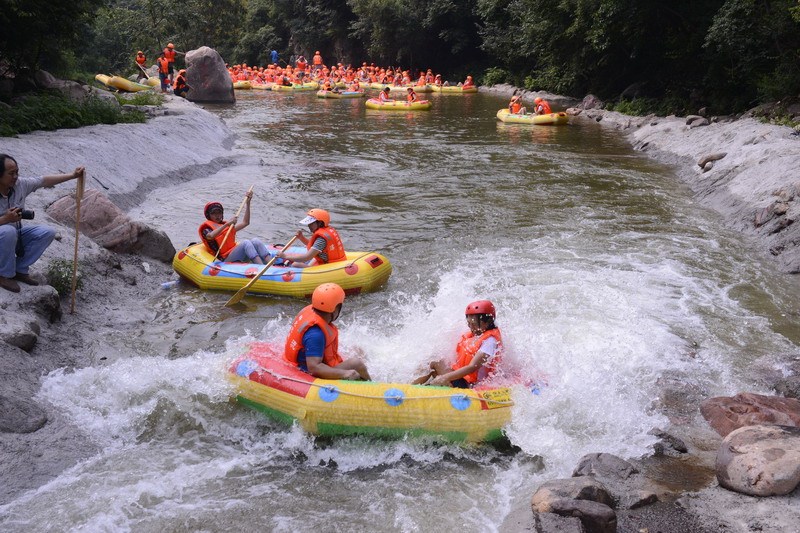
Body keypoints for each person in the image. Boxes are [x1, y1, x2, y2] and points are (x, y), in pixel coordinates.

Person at [0, 154, 84, 293]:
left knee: (47, 232)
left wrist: (73, 175)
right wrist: (6, 219)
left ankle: (19, 269)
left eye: (17, 172)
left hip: (13, 237)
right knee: (8, 231)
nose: (15, 176)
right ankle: (4, 274)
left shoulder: (19, 185)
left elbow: (43, 181)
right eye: (11, 173)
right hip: (5, 235)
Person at [284, 282, 371, 380]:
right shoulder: (316, 334)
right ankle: (373, 389)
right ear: (334, 310)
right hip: (308, 372)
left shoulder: (308, 311)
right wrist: (344, 373)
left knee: (358, 350)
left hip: (305, 359)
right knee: (356, 364)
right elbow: (314, 368)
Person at [412, 300, 503, 388]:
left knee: (433, 363)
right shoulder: (475, 335)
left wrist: (444, 377)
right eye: (469, 324)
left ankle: (409, 391)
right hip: (463, 379)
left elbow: (472, 367)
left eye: (474, 324)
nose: (471, 327)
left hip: (471, 386)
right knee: (433, 360)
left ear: (487, 322)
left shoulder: (490, 342)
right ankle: (410, 387)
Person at [198, 191, 270, 264]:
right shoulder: (206, 229)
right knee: (246, 243)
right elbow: (210, 236)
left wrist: (248, 203)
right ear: (208, 215)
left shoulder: (227, 225)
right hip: (224, 259)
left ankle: (271, 264)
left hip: (235, 253)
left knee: (256, 241)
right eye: (214, 213)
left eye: (219, 212)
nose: (217, 215)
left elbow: (245, 222)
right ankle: (261, 267)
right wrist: (227, 225)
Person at [276, 208, 345, 267]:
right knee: (308, 259)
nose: (309, 226)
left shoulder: (321, 240)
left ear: (320, 223)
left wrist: (285, 256)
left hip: (329, 265)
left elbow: (307, 257)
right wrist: (301, 238)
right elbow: (314, 246)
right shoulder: (326, 231)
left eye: (311, 223)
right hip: (331, 261)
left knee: (295, 265)